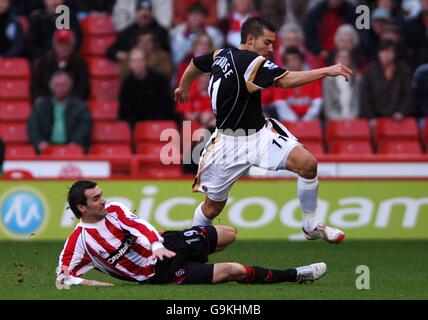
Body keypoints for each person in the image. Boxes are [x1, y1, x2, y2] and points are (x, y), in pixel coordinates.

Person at [175, 16, 353, 243]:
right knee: (211, 210)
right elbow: (285, 81)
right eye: (267, 43)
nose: (270, 49)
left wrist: (183, 86)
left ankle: (310, 224)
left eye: (273, 44)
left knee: (308, 165)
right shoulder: (251, 61)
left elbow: (195, 64)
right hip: (228, 144)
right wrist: (327, 70)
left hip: (260, 136)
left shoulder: (221, 54)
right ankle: (192, 245)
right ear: (250, 39)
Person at [55, 180, 327, 287]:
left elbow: (140, 227)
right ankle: (295, 275)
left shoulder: (113, 209)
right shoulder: (79, 243)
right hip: (160, 274)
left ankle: (198, 262)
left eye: (102, 195)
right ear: (81, 207)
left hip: (167, 243)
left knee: (229, 234)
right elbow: (62, 278)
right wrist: (97, 286)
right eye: (96, 199)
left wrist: (155, 244)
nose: (103, 200)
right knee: (233, 270)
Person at [28, 71, 92, 154]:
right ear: (51, 86)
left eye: (63, 84)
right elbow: (33, 127)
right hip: (46, 148)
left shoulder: (80, 106)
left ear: (70, 86)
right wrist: (40, 142)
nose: (60, 88)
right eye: (57, 85)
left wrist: (76, 142)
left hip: (73, 148)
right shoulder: (41, 106)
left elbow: (85, 127)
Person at [30, 29, 90, 103]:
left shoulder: (80, 63)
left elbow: (84, 89)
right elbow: (36, 88)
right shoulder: (44, 62)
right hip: (47, 105)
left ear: (73, 45)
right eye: (60, 43)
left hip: (72, 106)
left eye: (67, 43)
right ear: (54, 44)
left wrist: (68, 102)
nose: (63, 47)